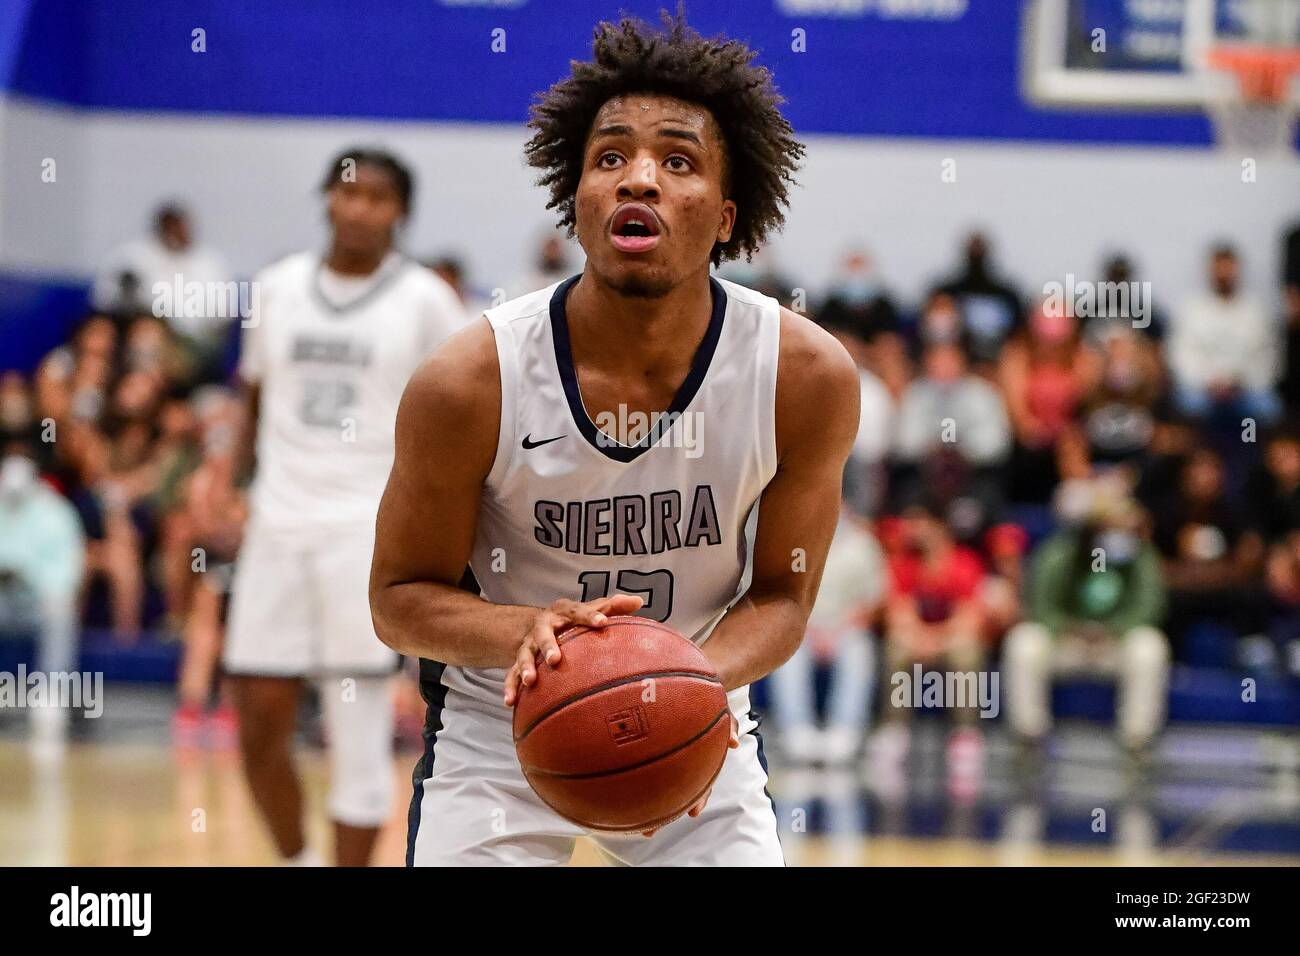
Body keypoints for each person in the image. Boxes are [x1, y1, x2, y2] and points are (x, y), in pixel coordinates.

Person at [370, 12, 859, 866]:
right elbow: (398, 597)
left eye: (678, 160)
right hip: (502, 723)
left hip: (694, 703)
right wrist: (522, 630)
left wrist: (692, 686)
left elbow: (783, 598)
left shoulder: (805, 376)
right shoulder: (469, 381)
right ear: (576, 202)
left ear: (727, 216)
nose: (640, 180)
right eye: (610, 158)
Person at [224, 147, 469, 867]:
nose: (360, 207)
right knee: (256, 720)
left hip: (365, 534)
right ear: (327, 198)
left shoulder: (428, 300)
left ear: (401, 213)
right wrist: (230, 486)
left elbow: (459, 422)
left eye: (379, 197)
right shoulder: (276, 287)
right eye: (348, 191)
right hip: (276, 527)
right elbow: (255, 399)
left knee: (357, 737)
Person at [1003, 494, 1168, 760]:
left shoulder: (1139, 556)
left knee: (1149, 646)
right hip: (1067, 643)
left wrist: (1114, 628)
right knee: (1024, 641)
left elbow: (1149, 608)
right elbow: (1040, 606)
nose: (1122, 536)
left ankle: (1137, 740)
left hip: (1113, 645)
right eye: (1114, 529)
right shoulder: (1059, 553)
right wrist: (1070, 628)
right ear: (1094, 529)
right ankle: (1028, 735)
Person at [768, 506, 884, 764]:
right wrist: (808, 628)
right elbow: (783, 596)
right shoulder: (794, 540)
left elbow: (873, 602)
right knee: (787, 648)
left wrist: (839, 630)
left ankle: (846, 730)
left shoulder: (863, 545)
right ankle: (796, 730)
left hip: (847, 628)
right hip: (804, 627)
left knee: (858, 648)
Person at [0, 441, 86, 753]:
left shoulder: (56, 512)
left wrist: (29, 576)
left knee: (61, 611)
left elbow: (68, 571)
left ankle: (51, 694)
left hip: (35, 601)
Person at [1168, 244, 1281, 426]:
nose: (1223, 274)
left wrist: (1238, 382)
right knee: (1188, 404)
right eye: (1218, 268)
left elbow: (1268, 357)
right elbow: (1180, 355)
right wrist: (1210, 381)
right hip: (1202, 388)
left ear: (1237, 270)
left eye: (1228, 268)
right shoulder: (1191, 309)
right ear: (1209, 271)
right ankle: (1202, 453)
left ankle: (1250, 447)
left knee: (1267, 408)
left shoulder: (1256, 311)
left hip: (1246, 388)